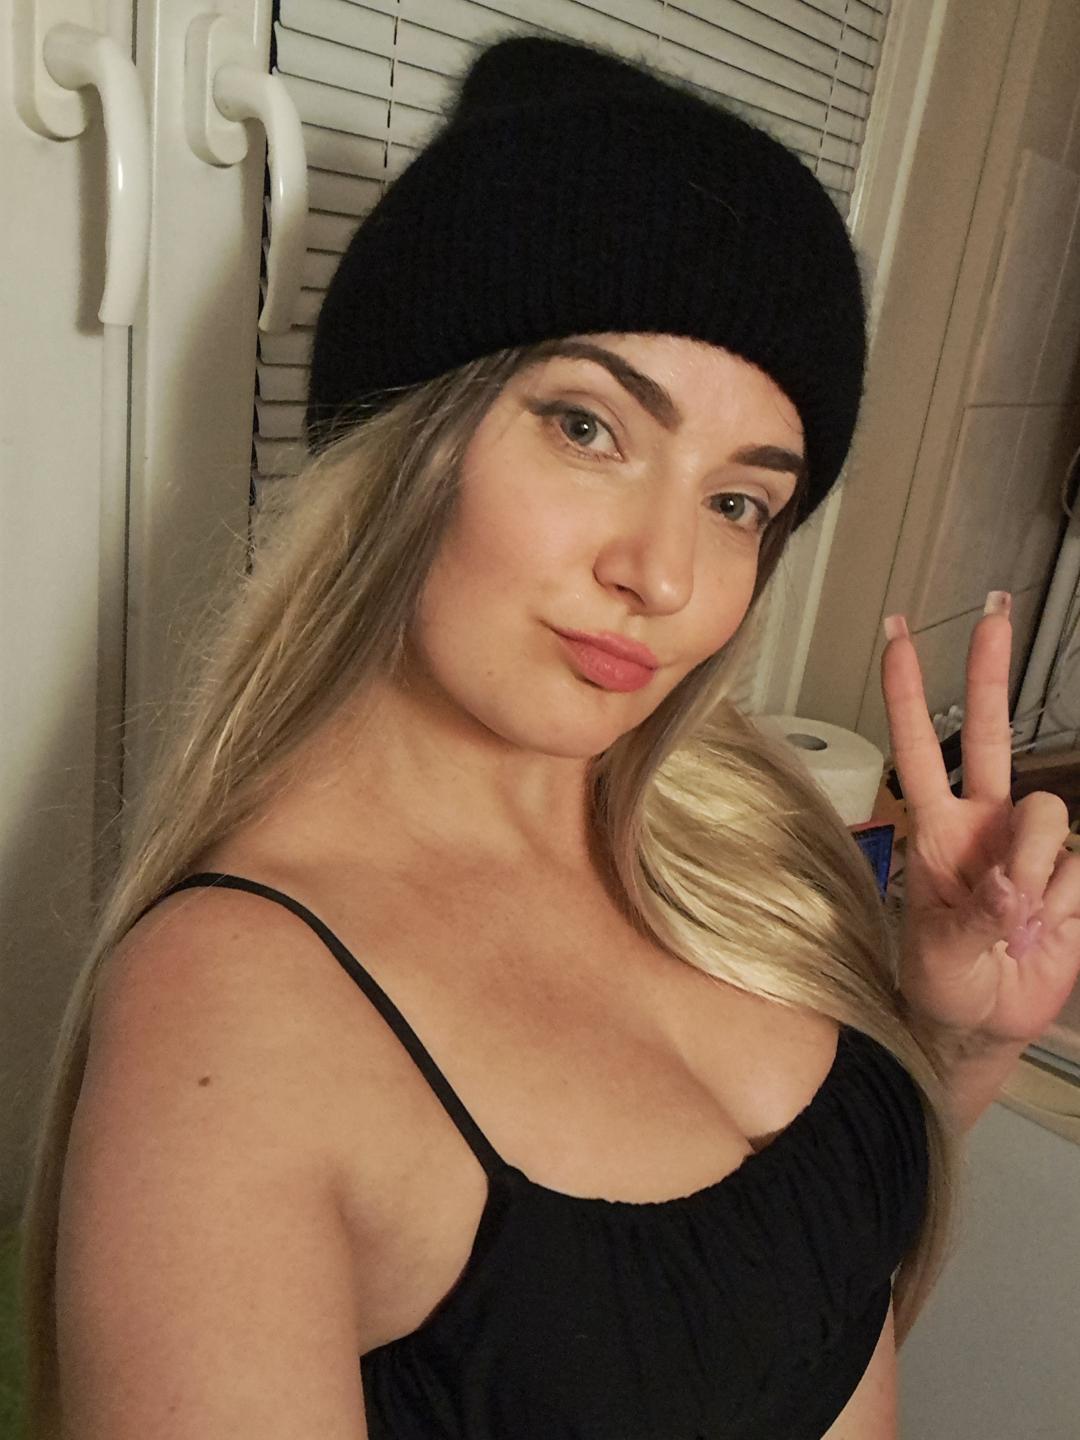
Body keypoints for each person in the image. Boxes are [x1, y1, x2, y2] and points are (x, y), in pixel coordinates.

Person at [20, 30, 1080, 1440]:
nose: (665, 574)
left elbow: (784, 1316)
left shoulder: (749, 844)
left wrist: (954, 1039)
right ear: (407, 442)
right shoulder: (237, 1016)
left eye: (738, 502)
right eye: (588, 429)